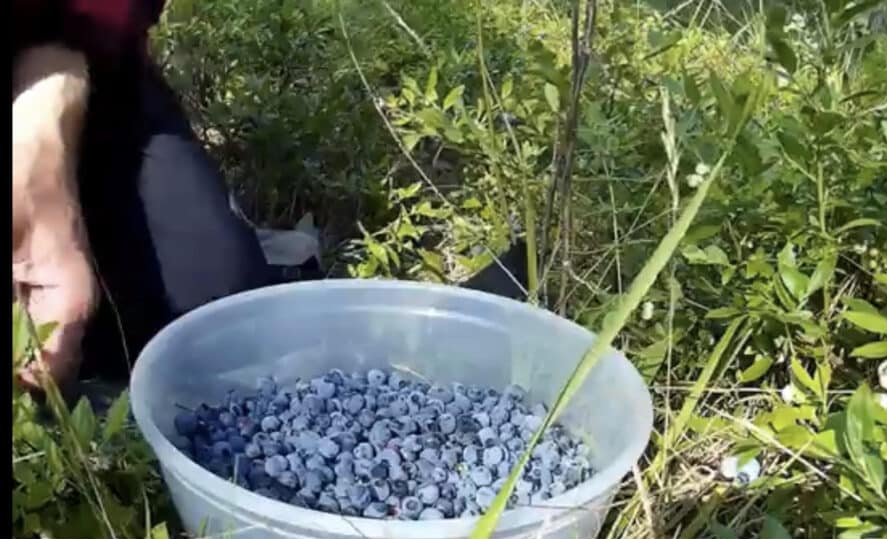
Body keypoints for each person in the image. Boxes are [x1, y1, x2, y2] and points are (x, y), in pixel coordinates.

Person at [13, 1, 529, 395]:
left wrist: (42, 139)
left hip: (66, 58)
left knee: (218, 324)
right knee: (84, 353)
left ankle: (401, 363)